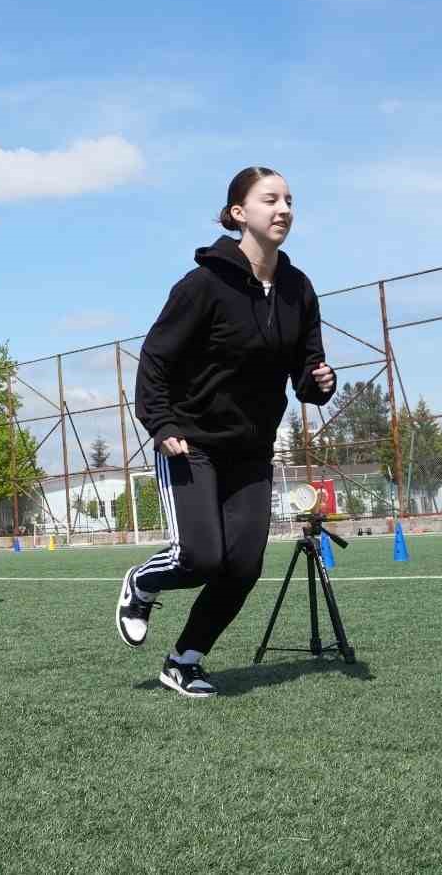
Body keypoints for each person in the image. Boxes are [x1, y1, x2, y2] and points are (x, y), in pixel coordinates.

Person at [116, 167, 336, 695]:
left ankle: (184, 660)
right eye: (270, 200)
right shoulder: (204, 285)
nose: (283, 209)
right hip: (189, 441)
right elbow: (155, 359)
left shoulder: (298, 289)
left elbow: (307, 374)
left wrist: (319, 381)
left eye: (289, 200)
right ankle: (142, 583)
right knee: (200, 557)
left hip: (251, 450)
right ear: (240, 214)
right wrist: (161, 421)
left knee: (243, 565)